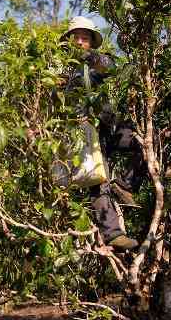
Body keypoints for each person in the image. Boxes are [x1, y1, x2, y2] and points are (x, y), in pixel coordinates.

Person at [59, 16, 143, 250]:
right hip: (87, 133)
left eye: (84, 39)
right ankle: (113, 234)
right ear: (68, 42)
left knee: (142, 144)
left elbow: (115, 68)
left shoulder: (99, 62)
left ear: (91, 43)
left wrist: (93, 59)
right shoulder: (61, 69)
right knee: (99, 181)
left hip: (111, 127)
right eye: (75, 38)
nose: (79, 42)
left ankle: (125, 184)